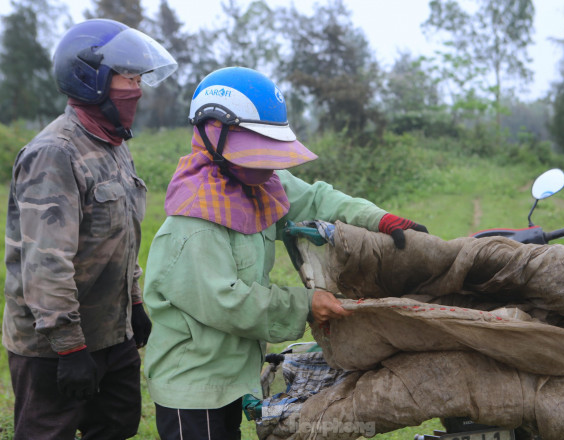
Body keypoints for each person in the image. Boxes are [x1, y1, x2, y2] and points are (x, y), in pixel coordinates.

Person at [142, 66, 428, 440]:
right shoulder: (194, 222)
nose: (269, 165)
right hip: (193, 386)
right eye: (256, 151)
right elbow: (229, 302)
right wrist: (306, 303)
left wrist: (378, 218)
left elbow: (315, 198)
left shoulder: (257, 183)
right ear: (215, 136)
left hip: (230, 374)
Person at [2, 19, 177, 440]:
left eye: (139, 78)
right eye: (127, 77)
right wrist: (70, 347)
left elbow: (121, 239)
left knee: (116, 427)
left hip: (110, 331)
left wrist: (134, 304)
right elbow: (45, 264)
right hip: (54, 346)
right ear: (91, 79)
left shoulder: (114, 147)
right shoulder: (54, 154)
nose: (136, 88)